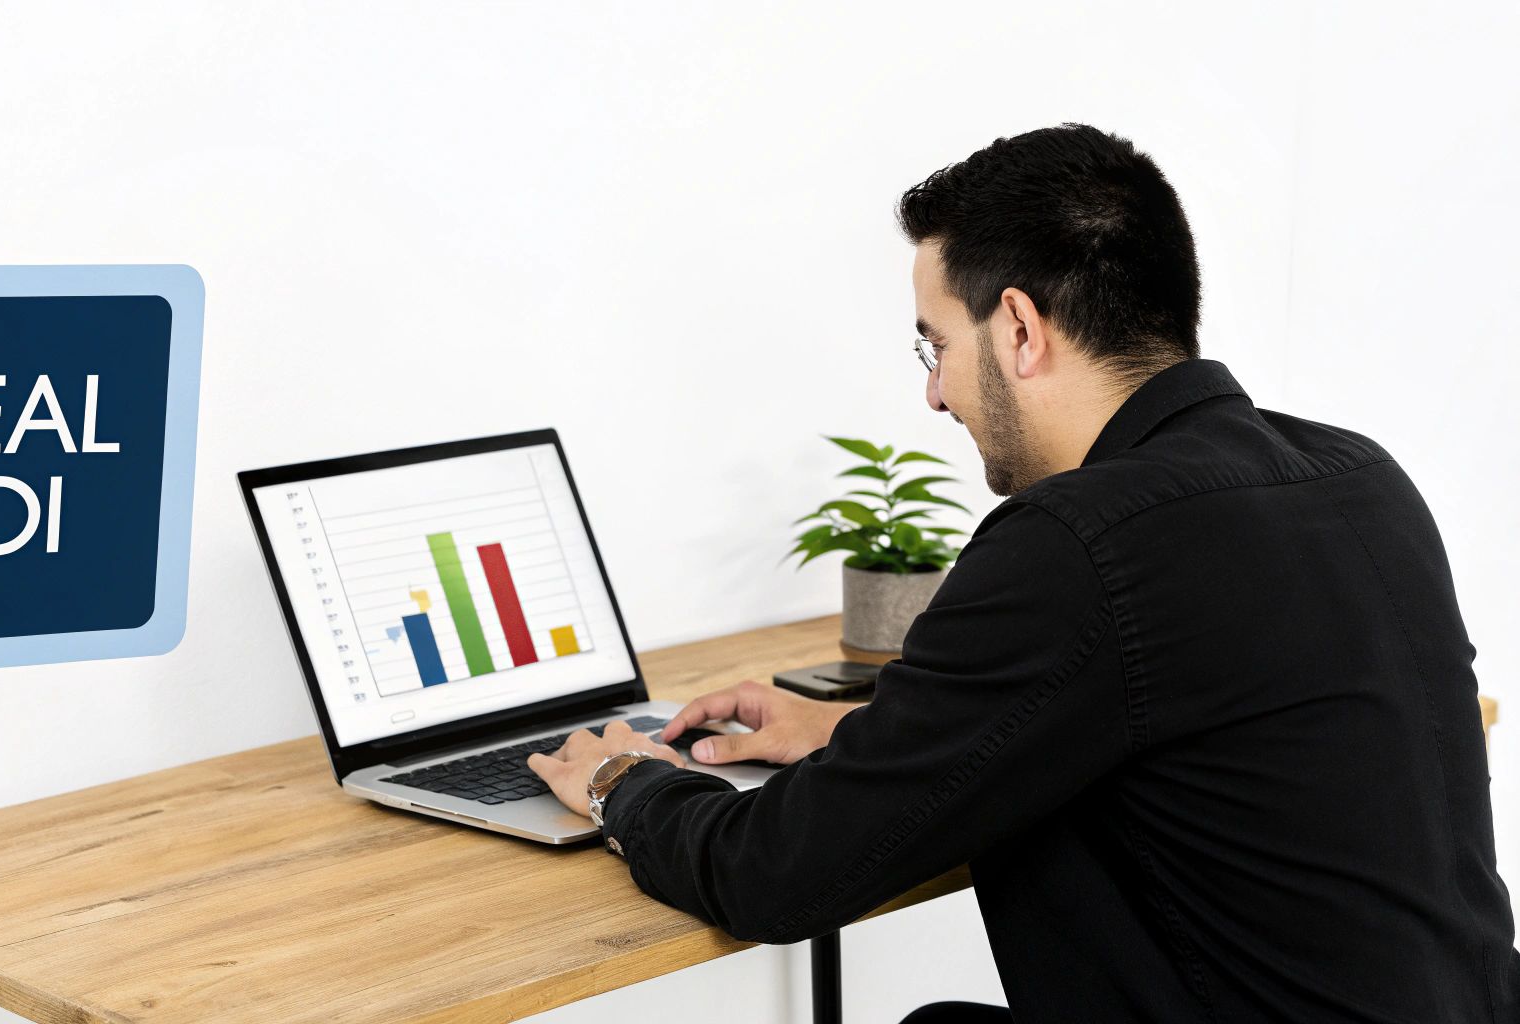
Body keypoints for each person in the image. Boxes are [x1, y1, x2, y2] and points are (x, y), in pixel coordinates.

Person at [526, 123, 1519, 1022]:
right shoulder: (1354, 474)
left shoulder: (1080, 538)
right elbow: (1166, 714)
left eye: (935, 345)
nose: (932, 392)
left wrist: (626, 784)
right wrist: (867, 734)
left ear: (1017, 328)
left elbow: (773, 878)